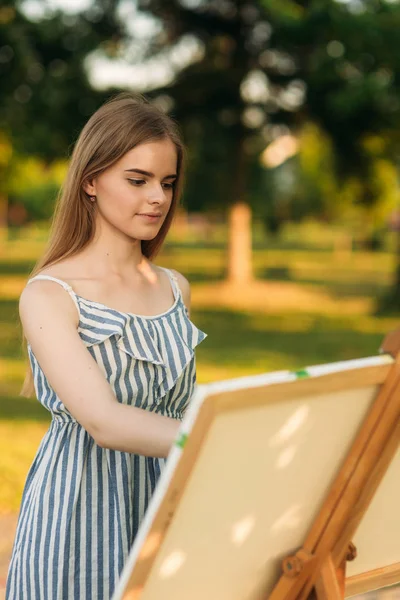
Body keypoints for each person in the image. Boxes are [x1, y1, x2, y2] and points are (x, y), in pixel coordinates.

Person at [6, 92, 207, 600]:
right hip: (79, 518)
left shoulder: (174, 288)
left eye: (167, 182)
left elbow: (173, 409)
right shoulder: (51, 295)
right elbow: (104, 421)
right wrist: (220, 439)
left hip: (166, 507)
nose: (158, 197)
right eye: (137, 180)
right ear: (91, 181)